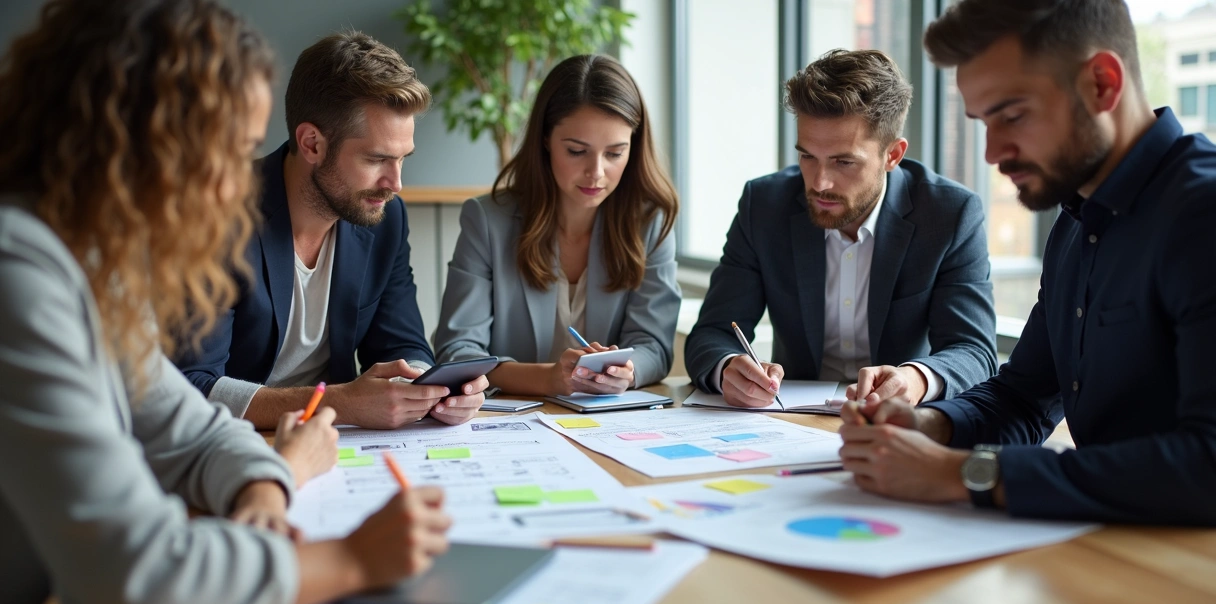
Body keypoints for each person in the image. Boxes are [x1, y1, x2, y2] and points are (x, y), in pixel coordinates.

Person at [0, 2, 449, 604]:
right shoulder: (18, 273)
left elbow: (186, 428)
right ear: (137, 141)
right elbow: (142, 584)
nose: (235, 189)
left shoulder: (90, 264)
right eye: (227, 153)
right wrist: (350, 558)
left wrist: (264, 490)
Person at [838, 0, 1216, 525]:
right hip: (1102, 550)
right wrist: (931, 427)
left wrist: (958, 474)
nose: (992, 153)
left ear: (1103, 84)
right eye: (983, 122)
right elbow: (1026, 398)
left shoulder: (1202, 215)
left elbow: (1207, 464)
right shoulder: (1077, 218)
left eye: (1012, 115)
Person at [173, 31, 487, 429]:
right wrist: (336, 404)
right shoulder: (216, 217)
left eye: (402, 158)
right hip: (237, 447)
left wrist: (434, 389)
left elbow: (400, 344)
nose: (395, 183)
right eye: (376, 159)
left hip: (340, 445)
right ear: (312, 143)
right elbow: (193, 386)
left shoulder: (386, 217)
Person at [685, 49, 997, 409]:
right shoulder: (764, 205)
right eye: (807, 156)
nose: (819, 183)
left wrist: (915, 379)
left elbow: (974, 351)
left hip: (900, 425)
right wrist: (728, 368)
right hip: (788, 422)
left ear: (892, 155)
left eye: (843, 161)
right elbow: (713, 333)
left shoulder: (949, 214)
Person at [433, 54, 680, 396]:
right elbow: (458, 351)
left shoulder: (651, 222)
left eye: (614, 153)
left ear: (633, 148)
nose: (596, 172)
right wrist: (548, 378)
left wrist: (626, 371)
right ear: (546, 139)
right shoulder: (487, 221)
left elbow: (654, 345)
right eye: (577, 151)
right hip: (510, 422)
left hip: (607, 423)